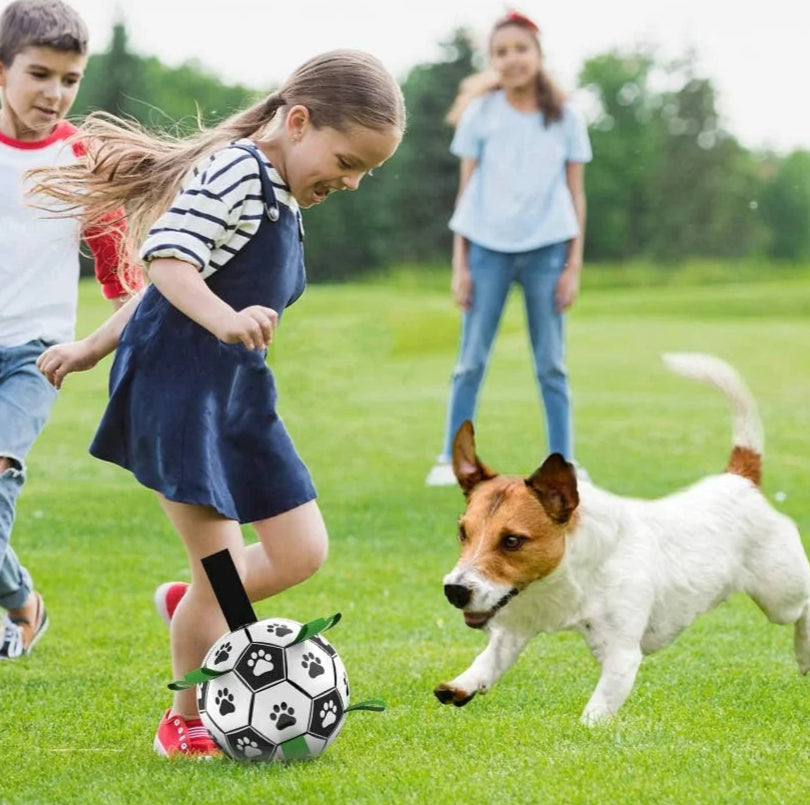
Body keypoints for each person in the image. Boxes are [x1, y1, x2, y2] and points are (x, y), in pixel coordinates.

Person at [35, 48, 405, 756]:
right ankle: (185, 716)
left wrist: (91, 345)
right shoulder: (237, 169)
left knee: (300, 551)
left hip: (236, 395)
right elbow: (168, 260)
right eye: (348, 158)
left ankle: (192, 607)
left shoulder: (283, 192)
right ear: (298, 122)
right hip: (177, 392)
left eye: (368, 171)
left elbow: (166, 282)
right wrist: (220, 320)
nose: (354, 181)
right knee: (224, 576)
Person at [0, 0, 136, 660]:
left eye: (70, 78)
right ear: (2, 71)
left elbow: (121, 277)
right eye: (40, 74)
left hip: (33, 356)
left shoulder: (82, 161)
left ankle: (19, 605)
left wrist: (112, 349)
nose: (55, 93)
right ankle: (22, 599)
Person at [425, 10, 592, 486]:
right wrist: (460, 265)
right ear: (491, 61)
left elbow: (576, 194)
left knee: (551, 364)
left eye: (521, 49)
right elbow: (467, 191)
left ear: (538, 55)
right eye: (501, 52)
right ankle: (450, 459)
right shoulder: (481, 114)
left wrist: (573, 265)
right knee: (471, 360)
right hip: (486, 250)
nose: (512, 59)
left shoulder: (565, 118)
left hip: (547, 250)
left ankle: (564, 462)